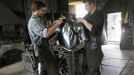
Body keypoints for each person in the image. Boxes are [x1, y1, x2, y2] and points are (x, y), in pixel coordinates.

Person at [27, 1, 63, 75]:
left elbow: (45, 29)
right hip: (41, 48)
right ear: (36, 10)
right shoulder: (33, 22)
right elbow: (46, 33)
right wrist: (57, 25)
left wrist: (54, 23)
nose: (44, 12)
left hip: (44, 46)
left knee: (44, 69)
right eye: (42, 10)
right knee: (52, 69)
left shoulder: (38, 19)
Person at [77, 0, 104, 75]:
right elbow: (81, 24)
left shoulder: (99, 14)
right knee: (86, 68)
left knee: (94, 69)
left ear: (92, 5)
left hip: (94, 45)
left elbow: (94, 29)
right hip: (87, 45)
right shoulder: (87, 15)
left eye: (86, 6)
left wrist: (83, 21)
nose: (85, 8)